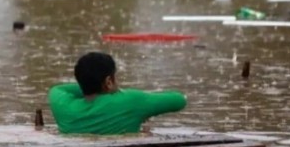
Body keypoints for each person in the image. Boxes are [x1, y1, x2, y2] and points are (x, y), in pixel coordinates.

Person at [48, 52, 186, 135]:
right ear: (109, 81)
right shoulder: (131, 101)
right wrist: (119, 92)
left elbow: (58, 89)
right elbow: (179, 100)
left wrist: (87, 86)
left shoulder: (62, 105)